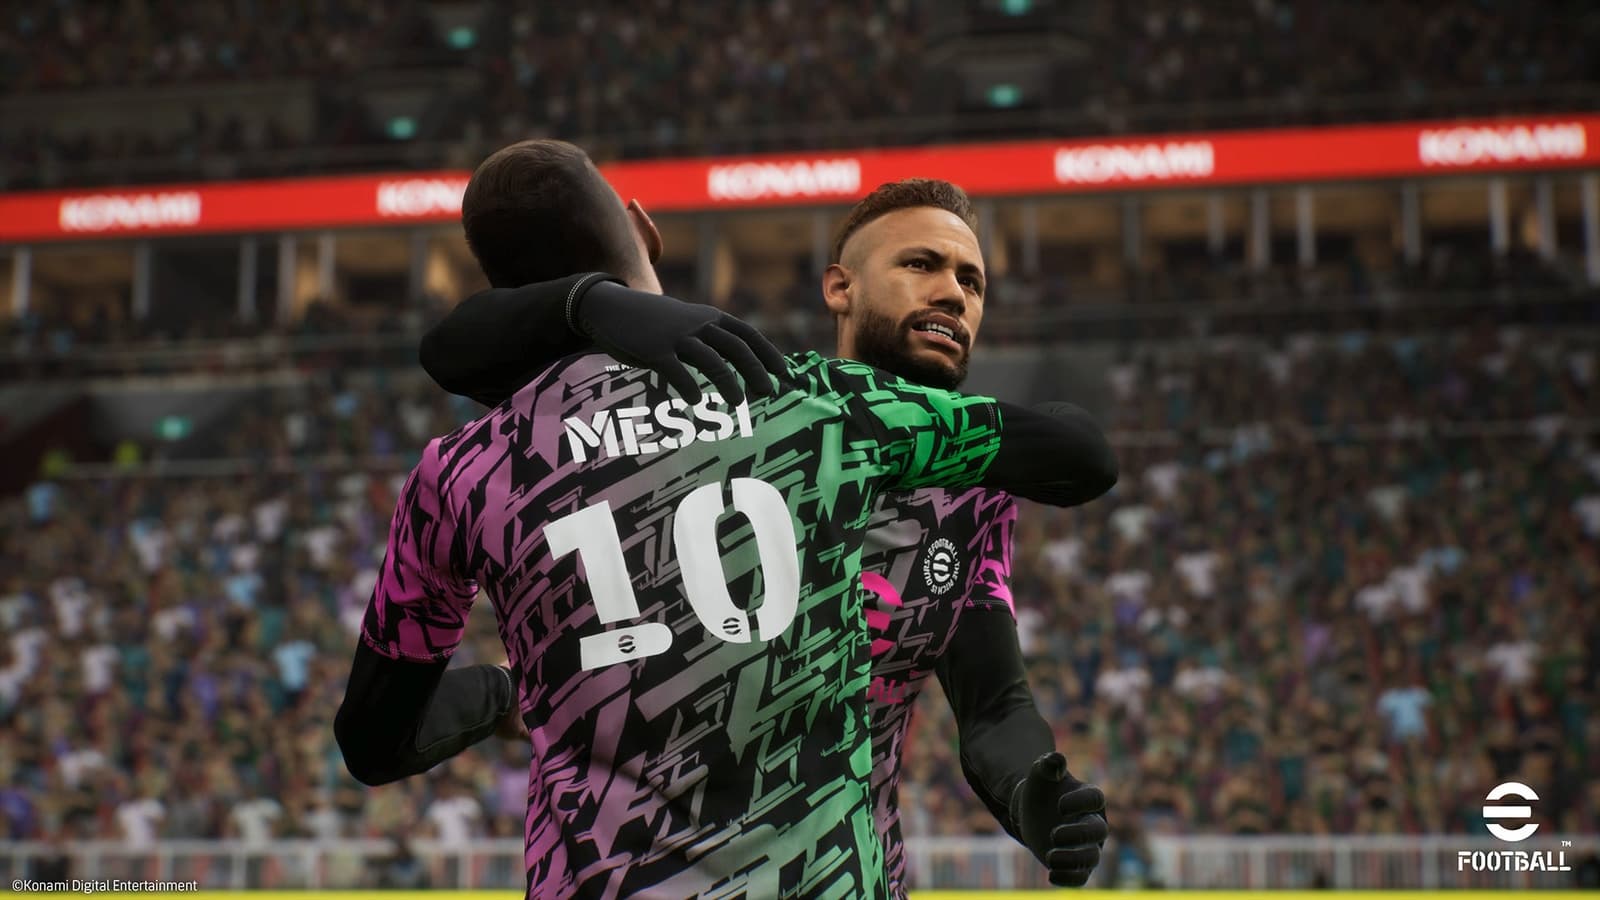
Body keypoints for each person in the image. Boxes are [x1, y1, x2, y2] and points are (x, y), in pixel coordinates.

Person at [335, 139, 1116, 899]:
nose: (952, 293)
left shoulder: (464, 467)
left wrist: (505, 692)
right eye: (921, 265)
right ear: (643, 229)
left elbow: (373, 742)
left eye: (972, 279)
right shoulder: (809, 402)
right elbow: (1080, 453)